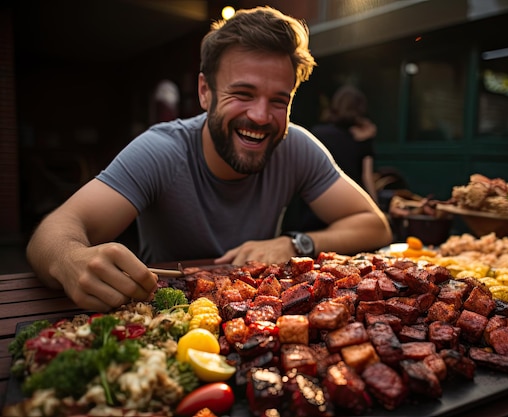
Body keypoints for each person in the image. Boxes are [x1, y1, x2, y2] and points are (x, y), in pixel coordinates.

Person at [25, 6, 392, 313]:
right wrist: (72, 259)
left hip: (260, 320)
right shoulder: (162, 149)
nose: (262, 116)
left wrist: (295, 244)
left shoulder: (295, 145)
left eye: (279, 100)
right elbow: (54, 231)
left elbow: (375, 225)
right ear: (205, 92)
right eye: (243, 93)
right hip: (168, 319)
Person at [284, 85, 379, 231]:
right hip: (348, 212)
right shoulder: (363, 139)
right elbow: (367, 177)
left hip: (312, 210)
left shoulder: (316, 134)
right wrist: (375, 208)